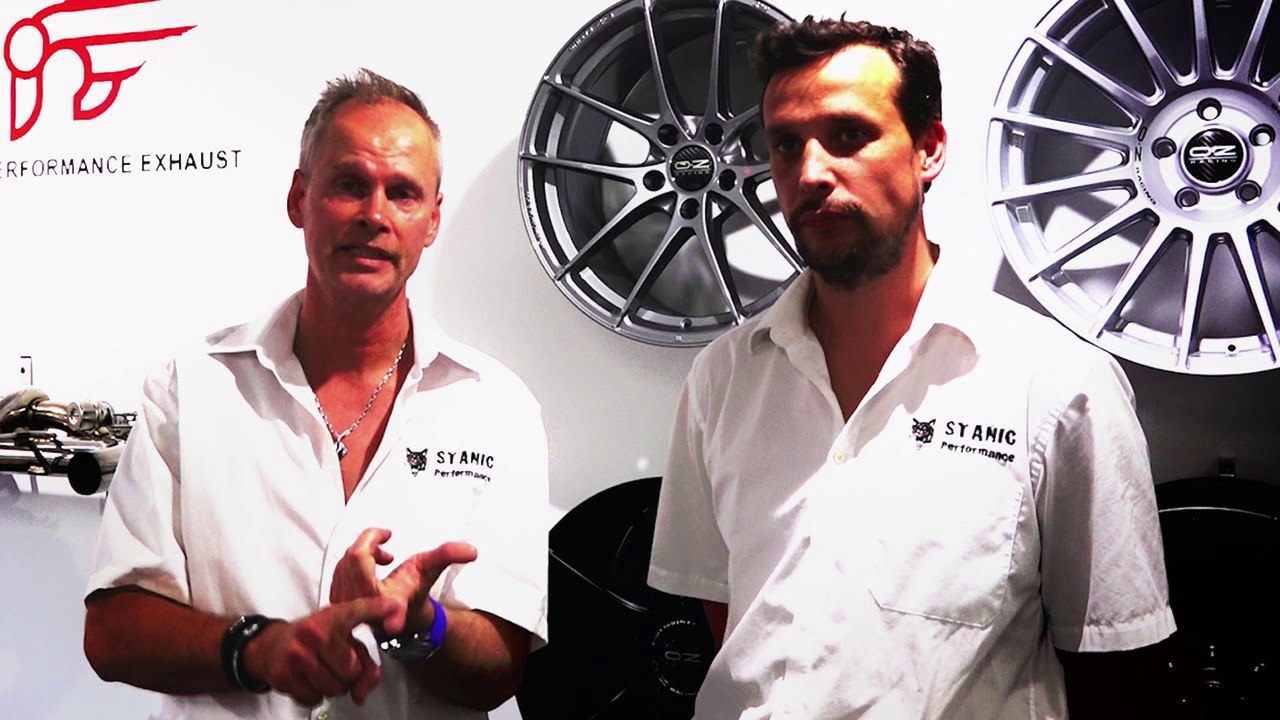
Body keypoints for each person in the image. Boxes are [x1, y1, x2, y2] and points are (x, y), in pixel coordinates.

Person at [648, 17, 1174, 719]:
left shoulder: (1057, 384)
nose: (809, 174)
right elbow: (729, 611)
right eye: (785, 144)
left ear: (928, 150)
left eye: (848, 136)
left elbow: (1115, 660)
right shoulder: (724, 377)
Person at [83, 69, 549, 719]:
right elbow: (113, 632)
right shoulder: (191, 389)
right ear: (300, 198)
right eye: (349, 185)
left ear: (432, 220)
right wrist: (259, 648)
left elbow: (500, 668)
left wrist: (421, 623)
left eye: (403, 193)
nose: (374, 215)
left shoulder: (495, 407)